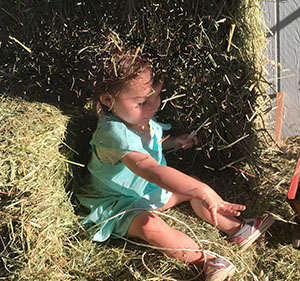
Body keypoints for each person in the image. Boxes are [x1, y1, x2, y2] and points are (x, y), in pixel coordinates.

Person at [78, 44, 274, 281]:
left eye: (157, 96)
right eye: (142, 102)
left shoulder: (139, 117)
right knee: (152, 226)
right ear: (109, 99)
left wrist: (174, 144)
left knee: (190, 185)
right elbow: (149, 168)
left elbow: (149, 147)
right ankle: (206, 261)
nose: (153, 106)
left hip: (147, 193)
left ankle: (236, 229)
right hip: (119, 204)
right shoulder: (112, 132)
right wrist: (202, 190)